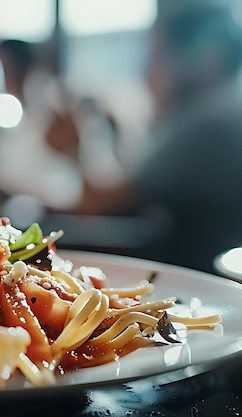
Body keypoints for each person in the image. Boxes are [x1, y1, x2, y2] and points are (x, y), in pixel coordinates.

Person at [74, 2, 242, 273]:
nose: (146, 73)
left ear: (207, 57)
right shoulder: (223, 107)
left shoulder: (209, 121)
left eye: (158, 57)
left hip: (199, 285)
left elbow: (98, 203)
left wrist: (76, 144)